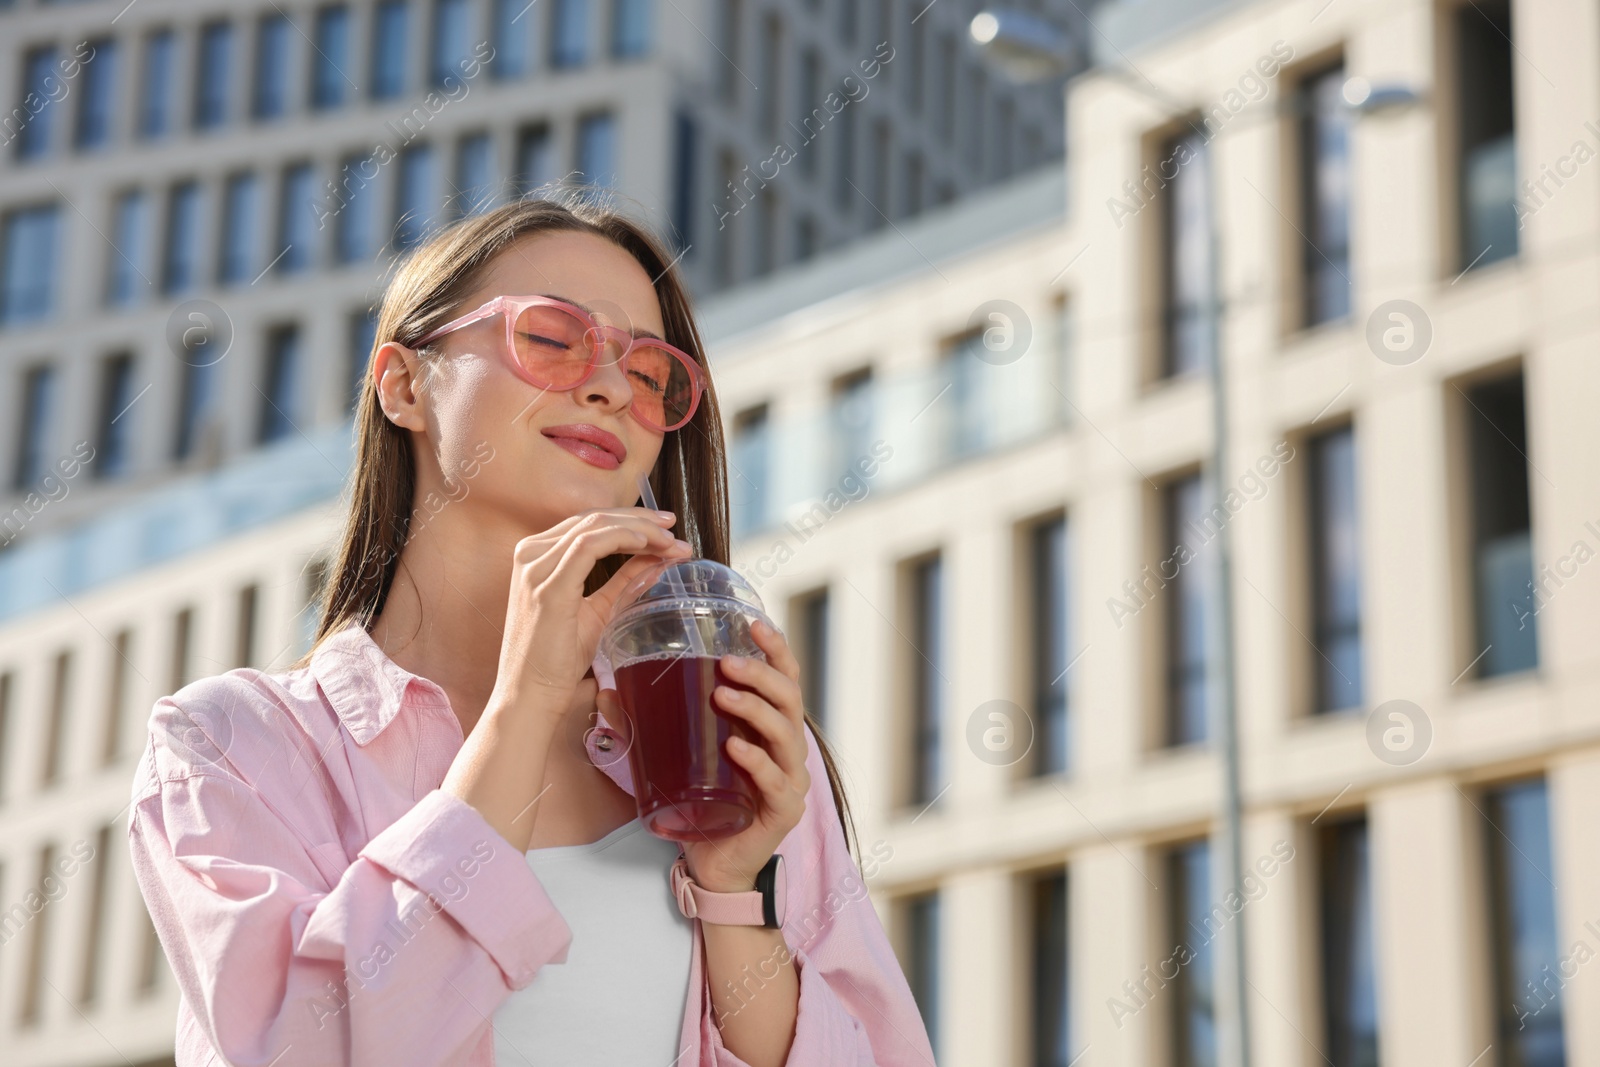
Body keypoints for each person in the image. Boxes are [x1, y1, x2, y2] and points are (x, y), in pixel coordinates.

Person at [126, 191, 937, 1067]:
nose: (611, 387)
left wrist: (736, 890)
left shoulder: (728, 738)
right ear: (404, 384)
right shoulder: (234, 747)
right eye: (553, 338)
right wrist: (521, 709)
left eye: (651, 372)